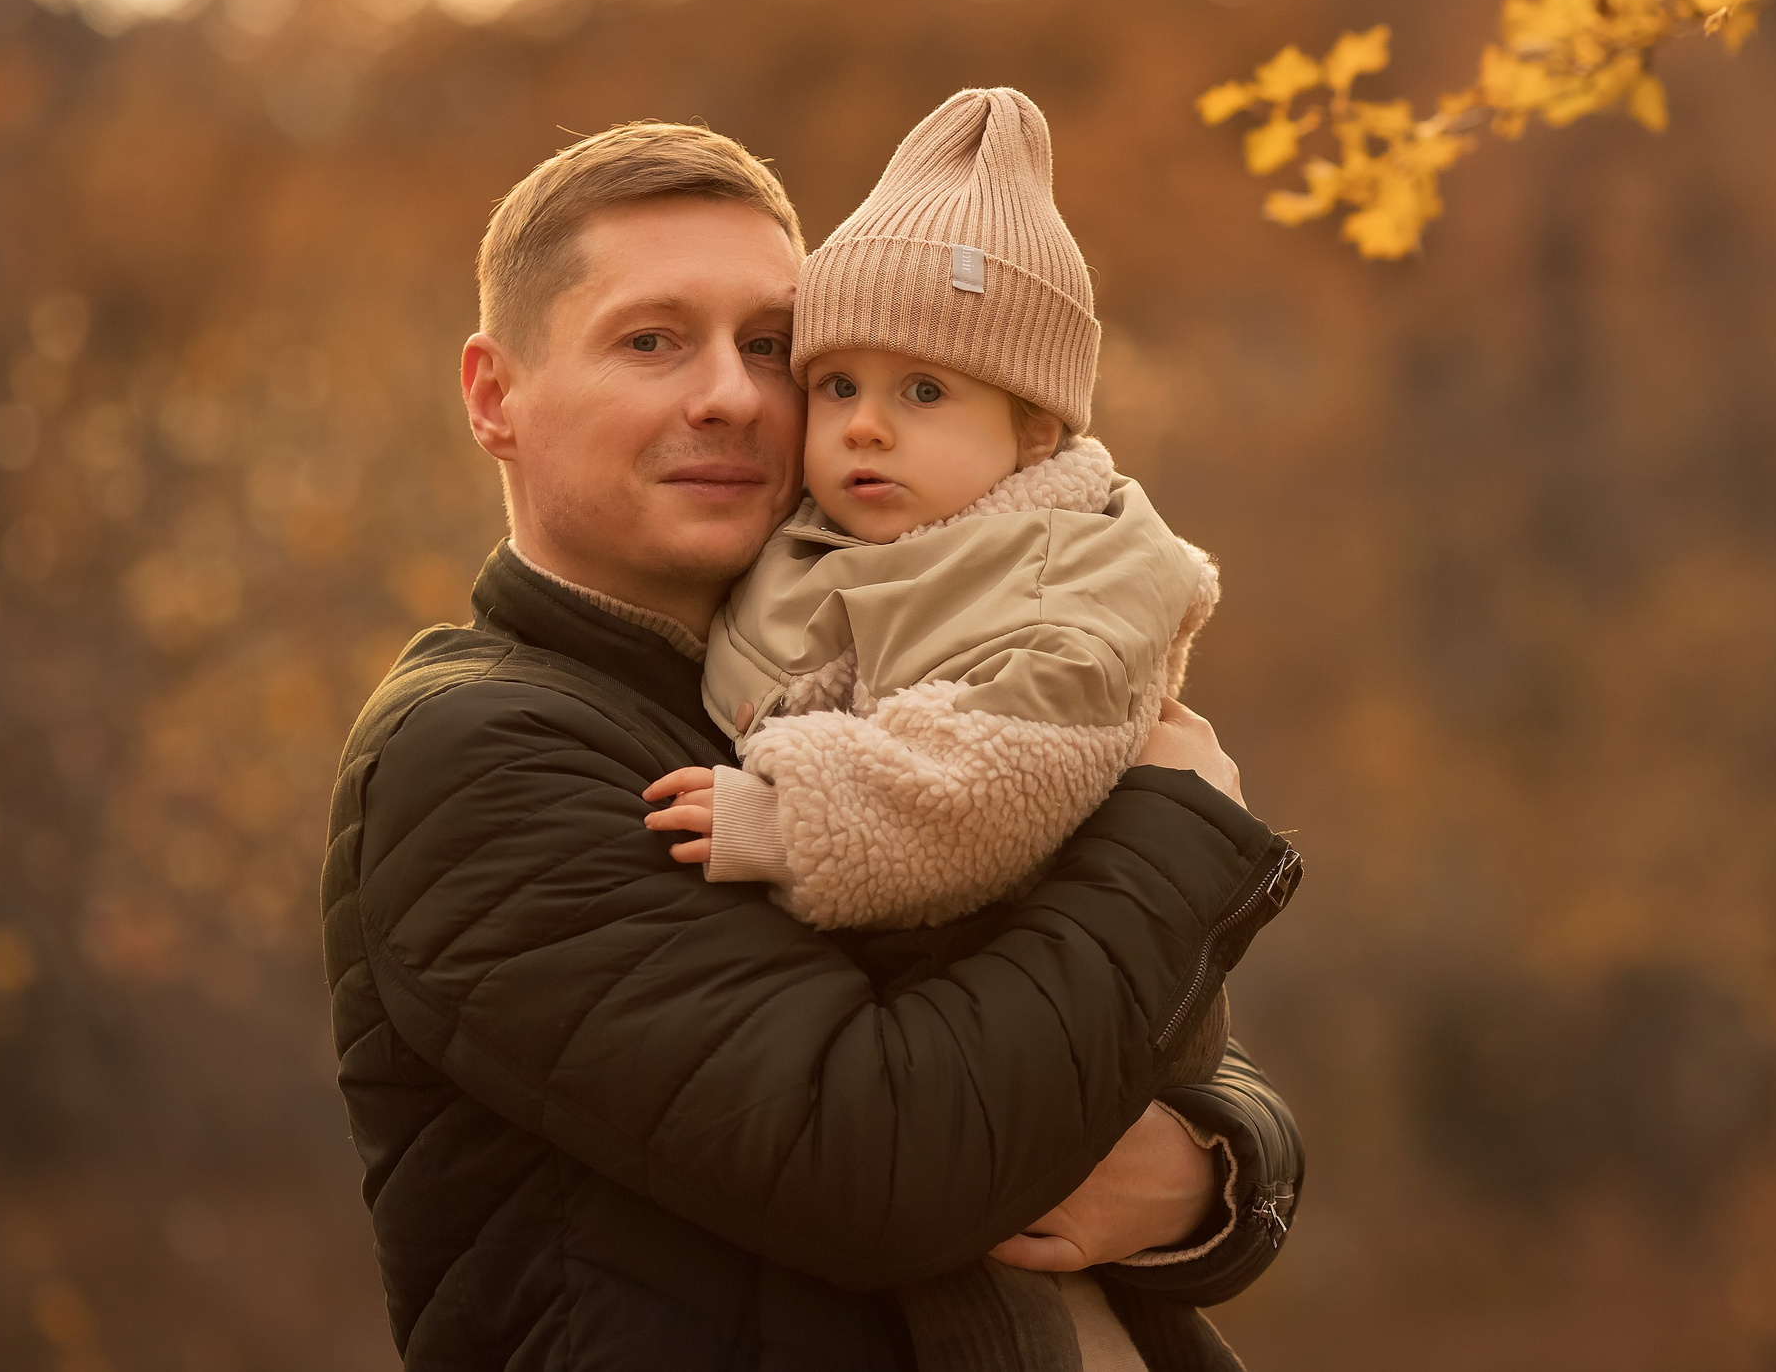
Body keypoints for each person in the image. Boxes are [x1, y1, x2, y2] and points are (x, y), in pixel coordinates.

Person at [320, 120, 1304, 1372]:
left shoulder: (837, 680)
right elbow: (889, 1160)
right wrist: (1174, 822)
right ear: (494, 396)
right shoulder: (477, 753)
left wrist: (1214, 1168)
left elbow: (1104, 1019)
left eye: (774, 348)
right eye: (651, 340)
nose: (732, 393)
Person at [638, 89, 1275, 1371]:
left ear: (1034, 428)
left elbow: (989, 775)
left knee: (1001, 1309)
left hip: (1038, 951)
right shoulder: (842, 539)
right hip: (973, 1004)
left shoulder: (1068, 586)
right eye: (836, 385)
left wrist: (790, 810)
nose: (865, 425)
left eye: (924, 389)